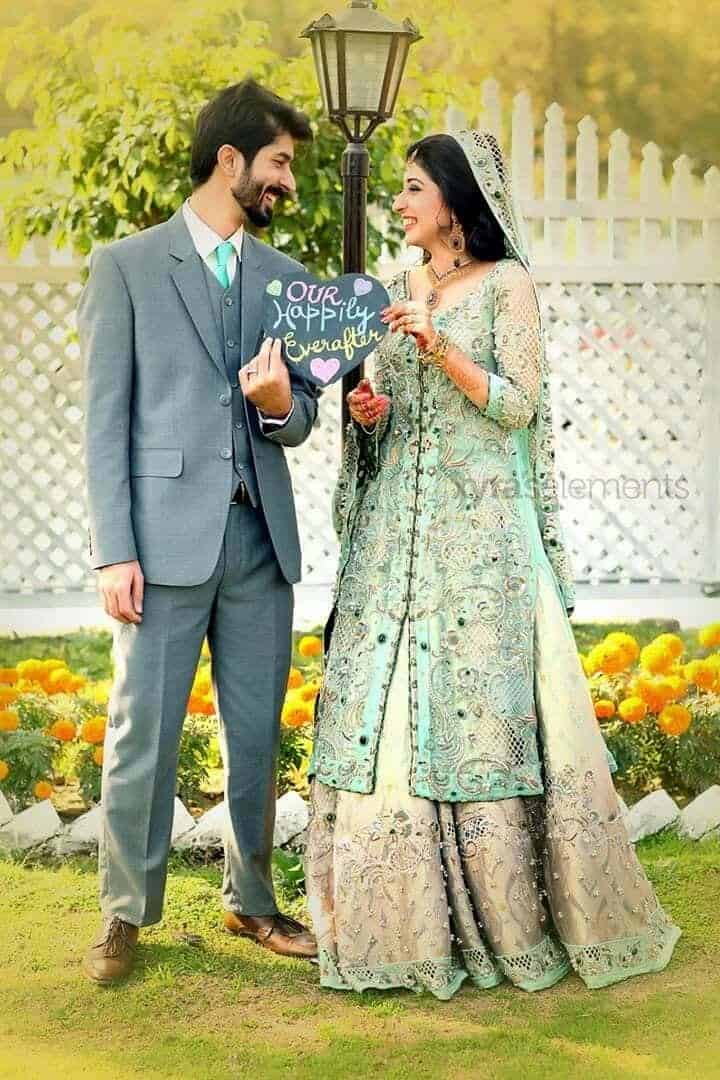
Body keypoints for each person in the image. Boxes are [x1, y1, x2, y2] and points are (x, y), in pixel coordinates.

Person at [304, 130, 681, 998]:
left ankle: (509, 919)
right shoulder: (395, 287)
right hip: (397, 539)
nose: (397, 205)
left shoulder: (508, 286)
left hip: (481, 548)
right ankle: (391, 926)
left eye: (410, 189)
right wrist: (367, 413)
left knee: (477, 715)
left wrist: (438, 345)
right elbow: (388, 415)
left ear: (453, 200)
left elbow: (517, 406)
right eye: (397, 191)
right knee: (384, 711)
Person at [77, 78, 320, 984]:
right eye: (279, 162)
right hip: (161, 544)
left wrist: (280, 401)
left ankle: (251, 901)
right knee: (145, 730)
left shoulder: (285, 282)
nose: (284, 181)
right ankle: (123, 912)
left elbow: (300, 422)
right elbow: (105, 419)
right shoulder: (127, 265)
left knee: (256, 731)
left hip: (261, 545)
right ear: (230, 160)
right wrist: (114, 549)